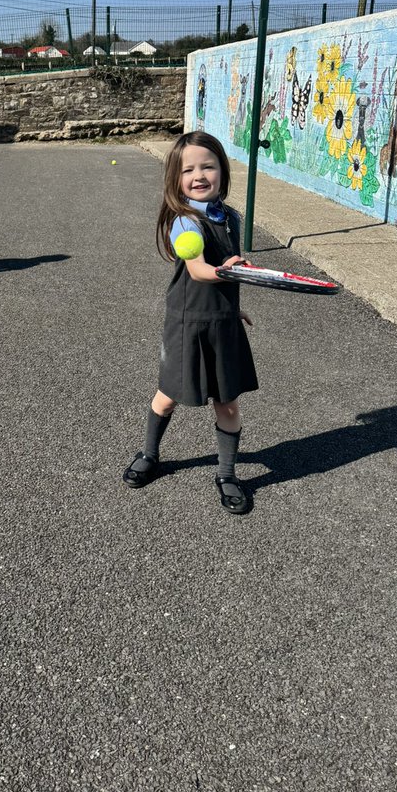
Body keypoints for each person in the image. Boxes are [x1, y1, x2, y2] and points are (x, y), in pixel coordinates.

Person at [123, 130, 258, 514]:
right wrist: (228, 271)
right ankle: (150, 454)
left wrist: (234, 307)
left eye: (208, 166)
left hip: (223, 323)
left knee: (228, 405)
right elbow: (199, 271)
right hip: (187, 324)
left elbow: (225, 275)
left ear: (222, 171)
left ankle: (227, 474)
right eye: (188, 170)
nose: (199, 175)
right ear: (175, 179)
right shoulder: (184, 222)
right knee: (167, 399)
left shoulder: (229, 217)